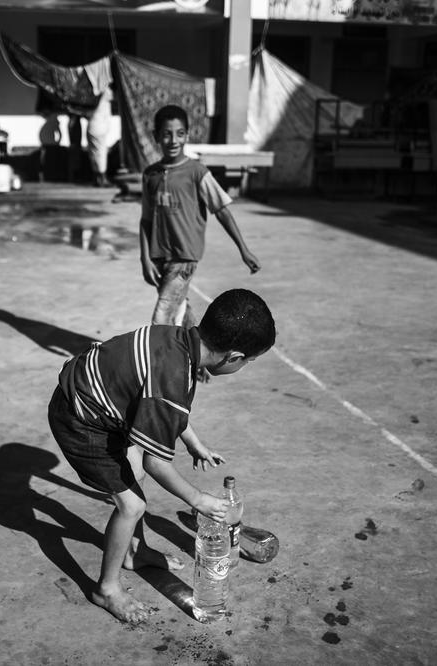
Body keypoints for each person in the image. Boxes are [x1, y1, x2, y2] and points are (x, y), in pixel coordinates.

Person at [47, 288, 276, 623]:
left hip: (100, 400)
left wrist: (193, 442)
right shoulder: (173, 376)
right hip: (80, 418)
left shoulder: (179, 341)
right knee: (131, 505)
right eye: (248, 362)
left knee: (134, 474)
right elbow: (157, 461)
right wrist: (198, 499)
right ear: (233, 357)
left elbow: (167, 407)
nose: (245, 366)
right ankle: (106, 589)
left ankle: (135, 552)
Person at [139, 104, 260, 331]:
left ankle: (160, 353)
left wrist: (243, 249)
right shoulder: (150, 175)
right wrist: (145, 258)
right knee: (178, 309)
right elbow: (146, 220)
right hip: (159, 256)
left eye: (180, 133)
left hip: (184, 257)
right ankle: (195, 346)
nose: (173, 140)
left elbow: (221, 211)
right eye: (166, 134)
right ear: (156, 136)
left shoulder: (197, 172)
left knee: (162, 316)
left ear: (187, 135)